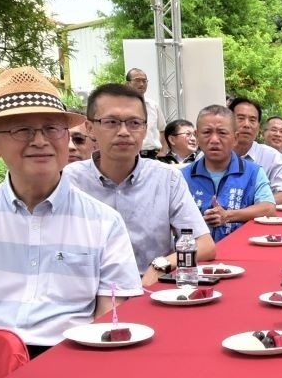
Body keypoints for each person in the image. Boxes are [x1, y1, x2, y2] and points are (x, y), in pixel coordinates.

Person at [0, 67, 142, 360]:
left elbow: (112, 312)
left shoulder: (103, 222)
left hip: (71, 361)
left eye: (52, 129)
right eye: (22, 130)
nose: (40, 141)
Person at [66, 83, 215, 286]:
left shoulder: (166, 179)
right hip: (86, 291)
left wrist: (160, 265)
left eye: (134, 123)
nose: (124, 132)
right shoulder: (68, 181)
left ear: (146, 129)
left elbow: (204, 244)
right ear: (90, 128)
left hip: (150, 290)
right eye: (111, 122)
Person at [182, 105, 276, 240]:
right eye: (207, 132)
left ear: (235, 137)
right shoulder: (183, 176)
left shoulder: (253, 172)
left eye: (222, 133)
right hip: (195, 254)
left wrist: (228, 215)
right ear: (196, 137)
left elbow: (269, 208)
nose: (214, 140)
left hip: (240, 252)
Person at [229, 97, 282, 204]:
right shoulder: (210, 155)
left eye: (252, 120)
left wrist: (247, 209)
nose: (246, 124)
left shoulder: (272, 156)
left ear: (259, 127)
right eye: (240, 118)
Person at [125, 68, 167, 158]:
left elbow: (163, 129)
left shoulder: (153, 105)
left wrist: (163, 150)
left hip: (153, 155)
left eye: (144, 81)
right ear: (127, 83)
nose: (141, 84)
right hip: (129, 155)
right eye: (137, 80)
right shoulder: (121, 106)